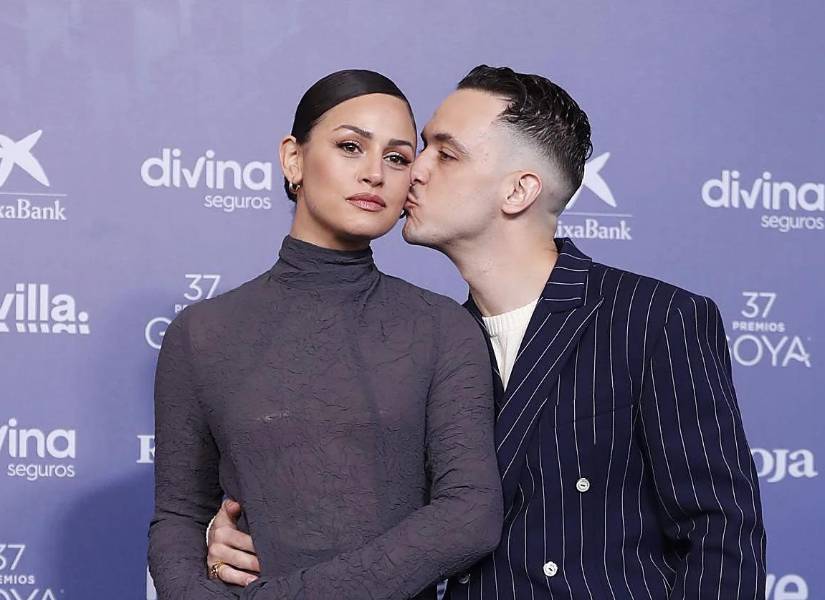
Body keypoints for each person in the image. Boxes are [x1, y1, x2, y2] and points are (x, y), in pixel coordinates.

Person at [208, 65, 767, 599]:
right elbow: (366, 510)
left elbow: (721, 537)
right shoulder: (428, 341)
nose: (415, 169)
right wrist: (233, 532)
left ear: (518, 191)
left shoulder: (652, 318)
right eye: (422, 148)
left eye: (445, 154)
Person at [148, 69, 503, 600]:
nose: (373, 174)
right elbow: (178, 516)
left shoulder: (443, 328)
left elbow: (470, 513)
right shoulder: (201, 333)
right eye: (350, 146)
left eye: (397, 158)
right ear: (293, 159)